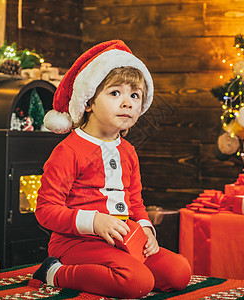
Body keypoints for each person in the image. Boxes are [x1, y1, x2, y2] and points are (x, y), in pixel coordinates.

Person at [33, 40, 191, 299]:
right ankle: (54, 272)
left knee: (179, 273)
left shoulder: (127, 151)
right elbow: (45, 210)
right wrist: (94, 221)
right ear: (88, 102)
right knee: (136, 282)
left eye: (134, 95)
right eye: (115, 93)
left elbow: (136, 202)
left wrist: (146, 229)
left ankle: (122, 267)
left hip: (123, 240)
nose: (127, 102)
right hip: (76, 243)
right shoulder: (69, 150)